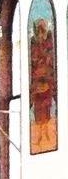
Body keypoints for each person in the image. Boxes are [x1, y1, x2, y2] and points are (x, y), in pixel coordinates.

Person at [30, 16, 56, 152]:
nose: (40, 33)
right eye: (38, 30)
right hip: (38, 81)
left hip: (45, 80)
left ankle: (45, 135)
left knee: (46, 111)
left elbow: (49, 57)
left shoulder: (47, 43)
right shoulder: (34, 43)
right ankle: (40, 136)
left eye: (42, 30)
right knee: (38, 112)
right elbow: (34, 59)